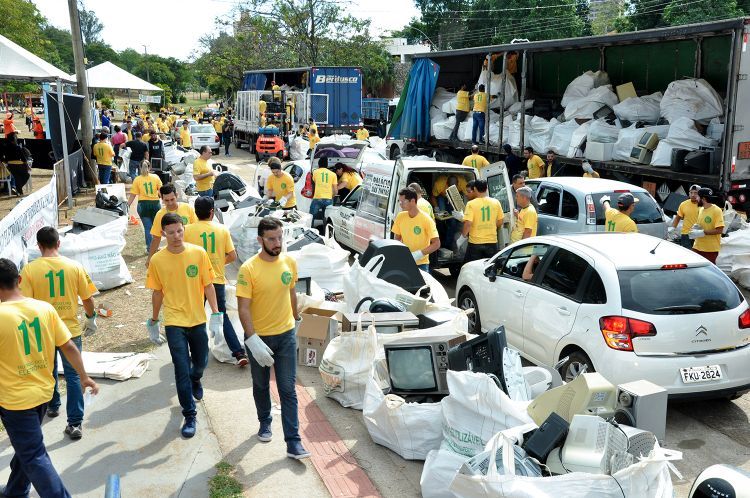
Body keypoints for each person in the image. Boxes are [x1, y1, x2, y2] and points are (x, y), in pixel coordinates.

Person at [0, 258, 98, 498]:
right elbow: (69, 346)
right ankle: (15, 491)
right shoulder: (44, 308)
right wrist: (84, 377)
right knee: (28, 447)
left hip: (15, 400)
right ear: (19, 280)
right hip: (43, 393)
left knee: (33, 454)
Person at [236, 217, 310, 459]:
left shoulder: (289, 262)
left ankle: (293, 442)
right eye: (271, 238)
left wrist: (296, 320)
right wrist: (252, 338)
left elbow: (291, 293)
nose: (277, 243)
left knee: (288, 389)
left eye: (280, 237)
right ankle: (265, 421)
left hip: (286, 335)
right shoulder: (248, 269)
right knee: (260, 385)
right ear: (260, 240)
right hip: (260, 339)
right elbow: (243, 308)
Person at [146, 213, 222, 438]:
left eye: (179, 231)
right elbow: (157, 292)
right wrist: (154, 319)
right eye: (171, 232)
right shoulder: (158, 260)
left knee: (200, 362)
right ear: (163, 234)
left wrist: (216, 313)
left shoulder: (198, 254)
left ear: (183, 229)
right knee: (180, 369)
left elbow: (208, 285)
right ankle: (189, 414)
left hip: (197, 318)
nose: (176, 236)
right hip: (174, 322)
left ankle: (196, 377)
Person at [19, 227, 98, 441]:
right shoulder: (74, 267)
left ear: (39, 246)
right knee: (73, 375)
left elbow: (25, 303)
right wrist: (91, 317)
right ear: (58, 244)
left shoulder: (30, 270)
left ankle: (53, 405)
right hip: (69, 329)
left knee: (47, 370)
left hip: (42, 330)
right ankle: (75, 423)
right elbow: (88, 299)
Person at [184, 197, 248, 367]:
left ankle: (196, 352)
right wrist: (217, 263)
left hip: (195, 280)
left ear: (196, 212)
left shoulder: (187, 230)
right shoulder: (222, 230)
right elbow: (233, 256)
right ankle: (238, 352)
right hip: (216, 279)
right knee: (221, 315)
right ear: (212, 212)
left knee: (195, 316)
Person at [147, 184, 198, 267]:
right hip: (174, 253)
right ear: (162, 199)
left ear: (177, 195)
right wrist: (150, 257)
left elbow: (196, 230)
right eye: (166, 200)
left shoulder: (188, 208)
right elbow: (156, 238)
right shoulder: (160, 214)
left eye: (172, 199)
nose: (170, 203)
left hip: (190, 251)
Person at [392, 188, 440, 272]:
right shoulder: (400, 216)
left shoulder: (426, 220)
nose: (400, 204)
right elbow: (397, 238)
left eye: (403, 202)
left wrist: (418, 254)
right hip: (405, 261)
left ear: (413, 201)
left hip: (421, 265)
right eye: (399, 201)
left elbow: (436, 244)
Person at [456, 179, 504, 263]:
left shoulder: (471, 204)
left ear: (474, 189)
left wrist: (461, 238)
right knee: (489, 269)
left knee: (471, 268)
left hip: (475, 243)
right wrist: (490, 227)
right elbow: (500, 221)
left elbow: (468, 224)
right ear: (486, 188)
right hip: (492, 242)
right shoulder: (496, 202)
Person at [127, 160, 163, 250]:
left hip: (143, 205)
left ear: (140, 168)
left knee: (147, 228)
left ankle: (149, 248)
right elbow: (161, 192)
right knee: (156, 227)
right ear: (150, 167)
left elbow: (132, 195)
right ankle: (157, 246)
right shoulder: (156, 177)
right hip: (155, 204)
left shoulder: (137, 179)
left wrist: (127, 206)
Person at [689, 187, 725, 264]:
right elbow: (701, 225)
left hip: (710, 249)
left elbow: (720, 230)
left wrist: (702, 232)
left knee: (708, 273)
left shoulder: (717, 210)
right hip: (697, 247)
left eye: (698, 196)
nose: (696, 198)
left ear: (703, 199)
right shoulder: (701, 209)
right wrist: (696, 227)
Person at [671, 184, 701, 249]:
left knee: (697, 255)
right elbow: (678, 218)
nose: (693, 195)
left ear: (700, 194)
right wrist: (672, 228)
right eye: (691, 192)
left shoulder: (703, 205)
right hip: (686, 234)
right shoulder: (684, 204)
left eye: (695, 193)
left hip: (698, 234)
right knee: (688, 254)